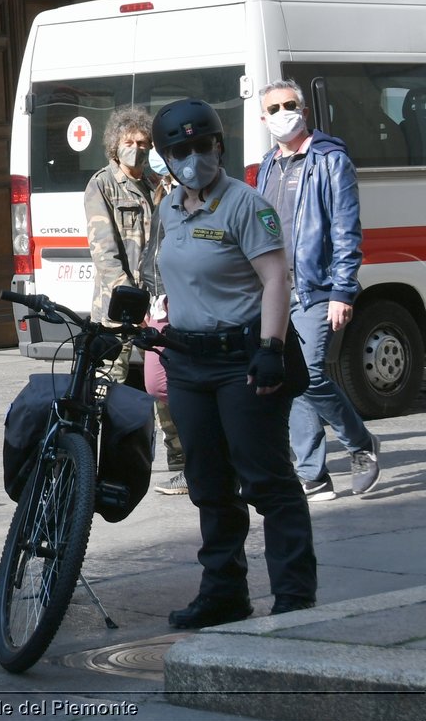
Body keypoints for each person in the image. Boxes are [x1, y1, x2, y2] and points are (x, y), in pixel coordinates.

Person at [151, 99, 316, 627]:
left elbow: (275, 279)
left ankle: (294, 595)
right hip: (188, 364)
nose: (194, 157)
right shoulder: (168, 208)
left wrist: (270, 348)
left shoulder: (246, 205)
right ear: (166, 157)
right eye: (181, 150)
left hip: (242, 362)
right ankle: (224, 593)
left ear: (219, 145)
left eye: (203, 145)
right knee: (208, 484)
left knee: (265, 480)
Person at [254, 79, 381, 500]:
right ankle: (313, 473)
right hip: (275, 291)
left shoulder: (329, 159)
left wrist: (343, 291)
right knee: (292, 377)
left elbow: (347, 229)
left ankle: (361, 444)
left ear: (304, 111)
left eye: (290, 105)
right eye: (274, 108)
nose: (283, 112)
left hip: (316, 288)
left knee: (308, 373)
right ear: (263, 118)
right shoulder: (269, 165)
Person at [81, 107, 186, 493]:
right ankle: (94, 468)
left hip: (158, 306)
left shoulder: (160, 184)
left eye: (144, 144)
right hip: (118, 311)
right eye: (129, 143)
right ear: (115, 146)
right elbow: (104, 251)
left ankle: (182, 464)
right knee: (108, 392)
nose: (137, 150)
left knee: (163, 387)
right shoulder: (102, 186)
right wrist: (132, 301)